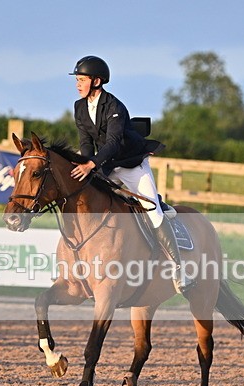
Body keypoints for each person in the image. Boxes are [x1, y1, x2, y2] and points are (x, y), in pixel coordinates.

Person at [69, 55, 195, 295]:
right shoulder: (79, 107)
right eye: (77, 80)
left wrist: (91, 165)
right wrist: (86, 163)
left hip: (131, 166)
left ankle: (179, 270)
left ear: (96, 81)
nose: (77, 84)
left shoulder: (114, 106)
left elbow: (114, 143)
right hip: (107, 167)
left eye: (81, 80)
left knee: (153, 211)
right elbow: (86, 143)